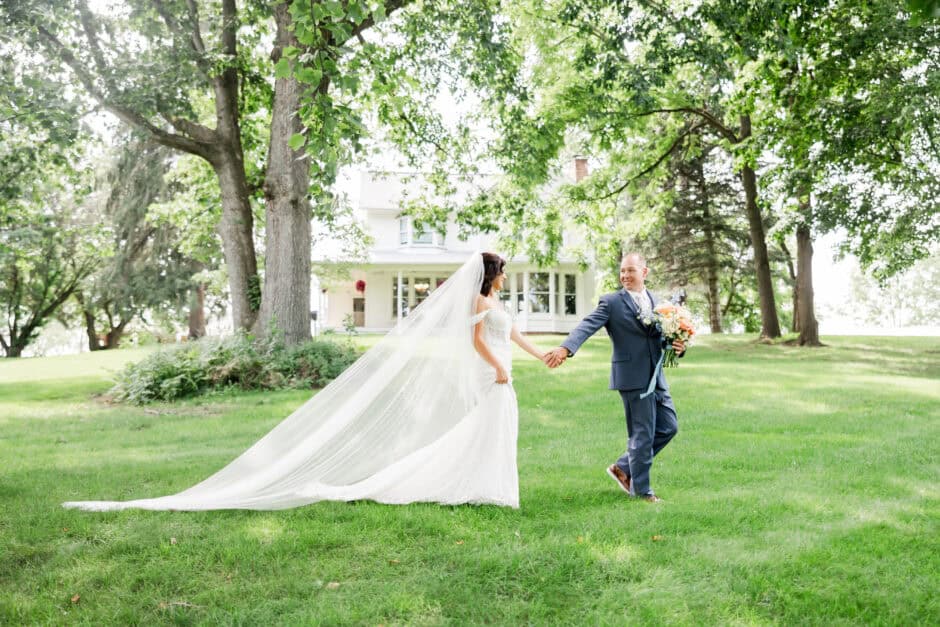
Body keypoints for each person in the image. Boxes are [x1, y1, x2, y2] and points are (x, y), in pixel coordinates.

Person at [63, 252, 545, 511]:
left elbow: (514, 334)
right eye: (502, 271)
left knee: (496, 426)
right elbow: (477, 342)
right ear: (492, 276)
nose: (505, 277)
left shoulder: (498, 304)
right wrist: (500, 367)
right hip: (491, 371)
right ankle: (478, 484)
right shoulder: (479, 304)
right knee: (485, 425)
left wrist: (539, 353)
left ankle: (491, 484)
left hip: (503, 367)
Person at [545, 253, 686, 502]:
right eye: (622, 271)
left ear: (645, 272)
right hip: (632, 377)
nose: (625, 276)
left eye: (630, 270)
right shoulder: (612, 302)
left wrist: (679, 347)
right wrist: (565, 348)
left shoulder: (658, 302)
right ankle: (642, 492)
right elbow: (587, 325)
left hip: (657, 375)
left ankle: (623, 467)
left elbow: (663, 335)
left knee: (669, 426)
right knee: (642, 434)